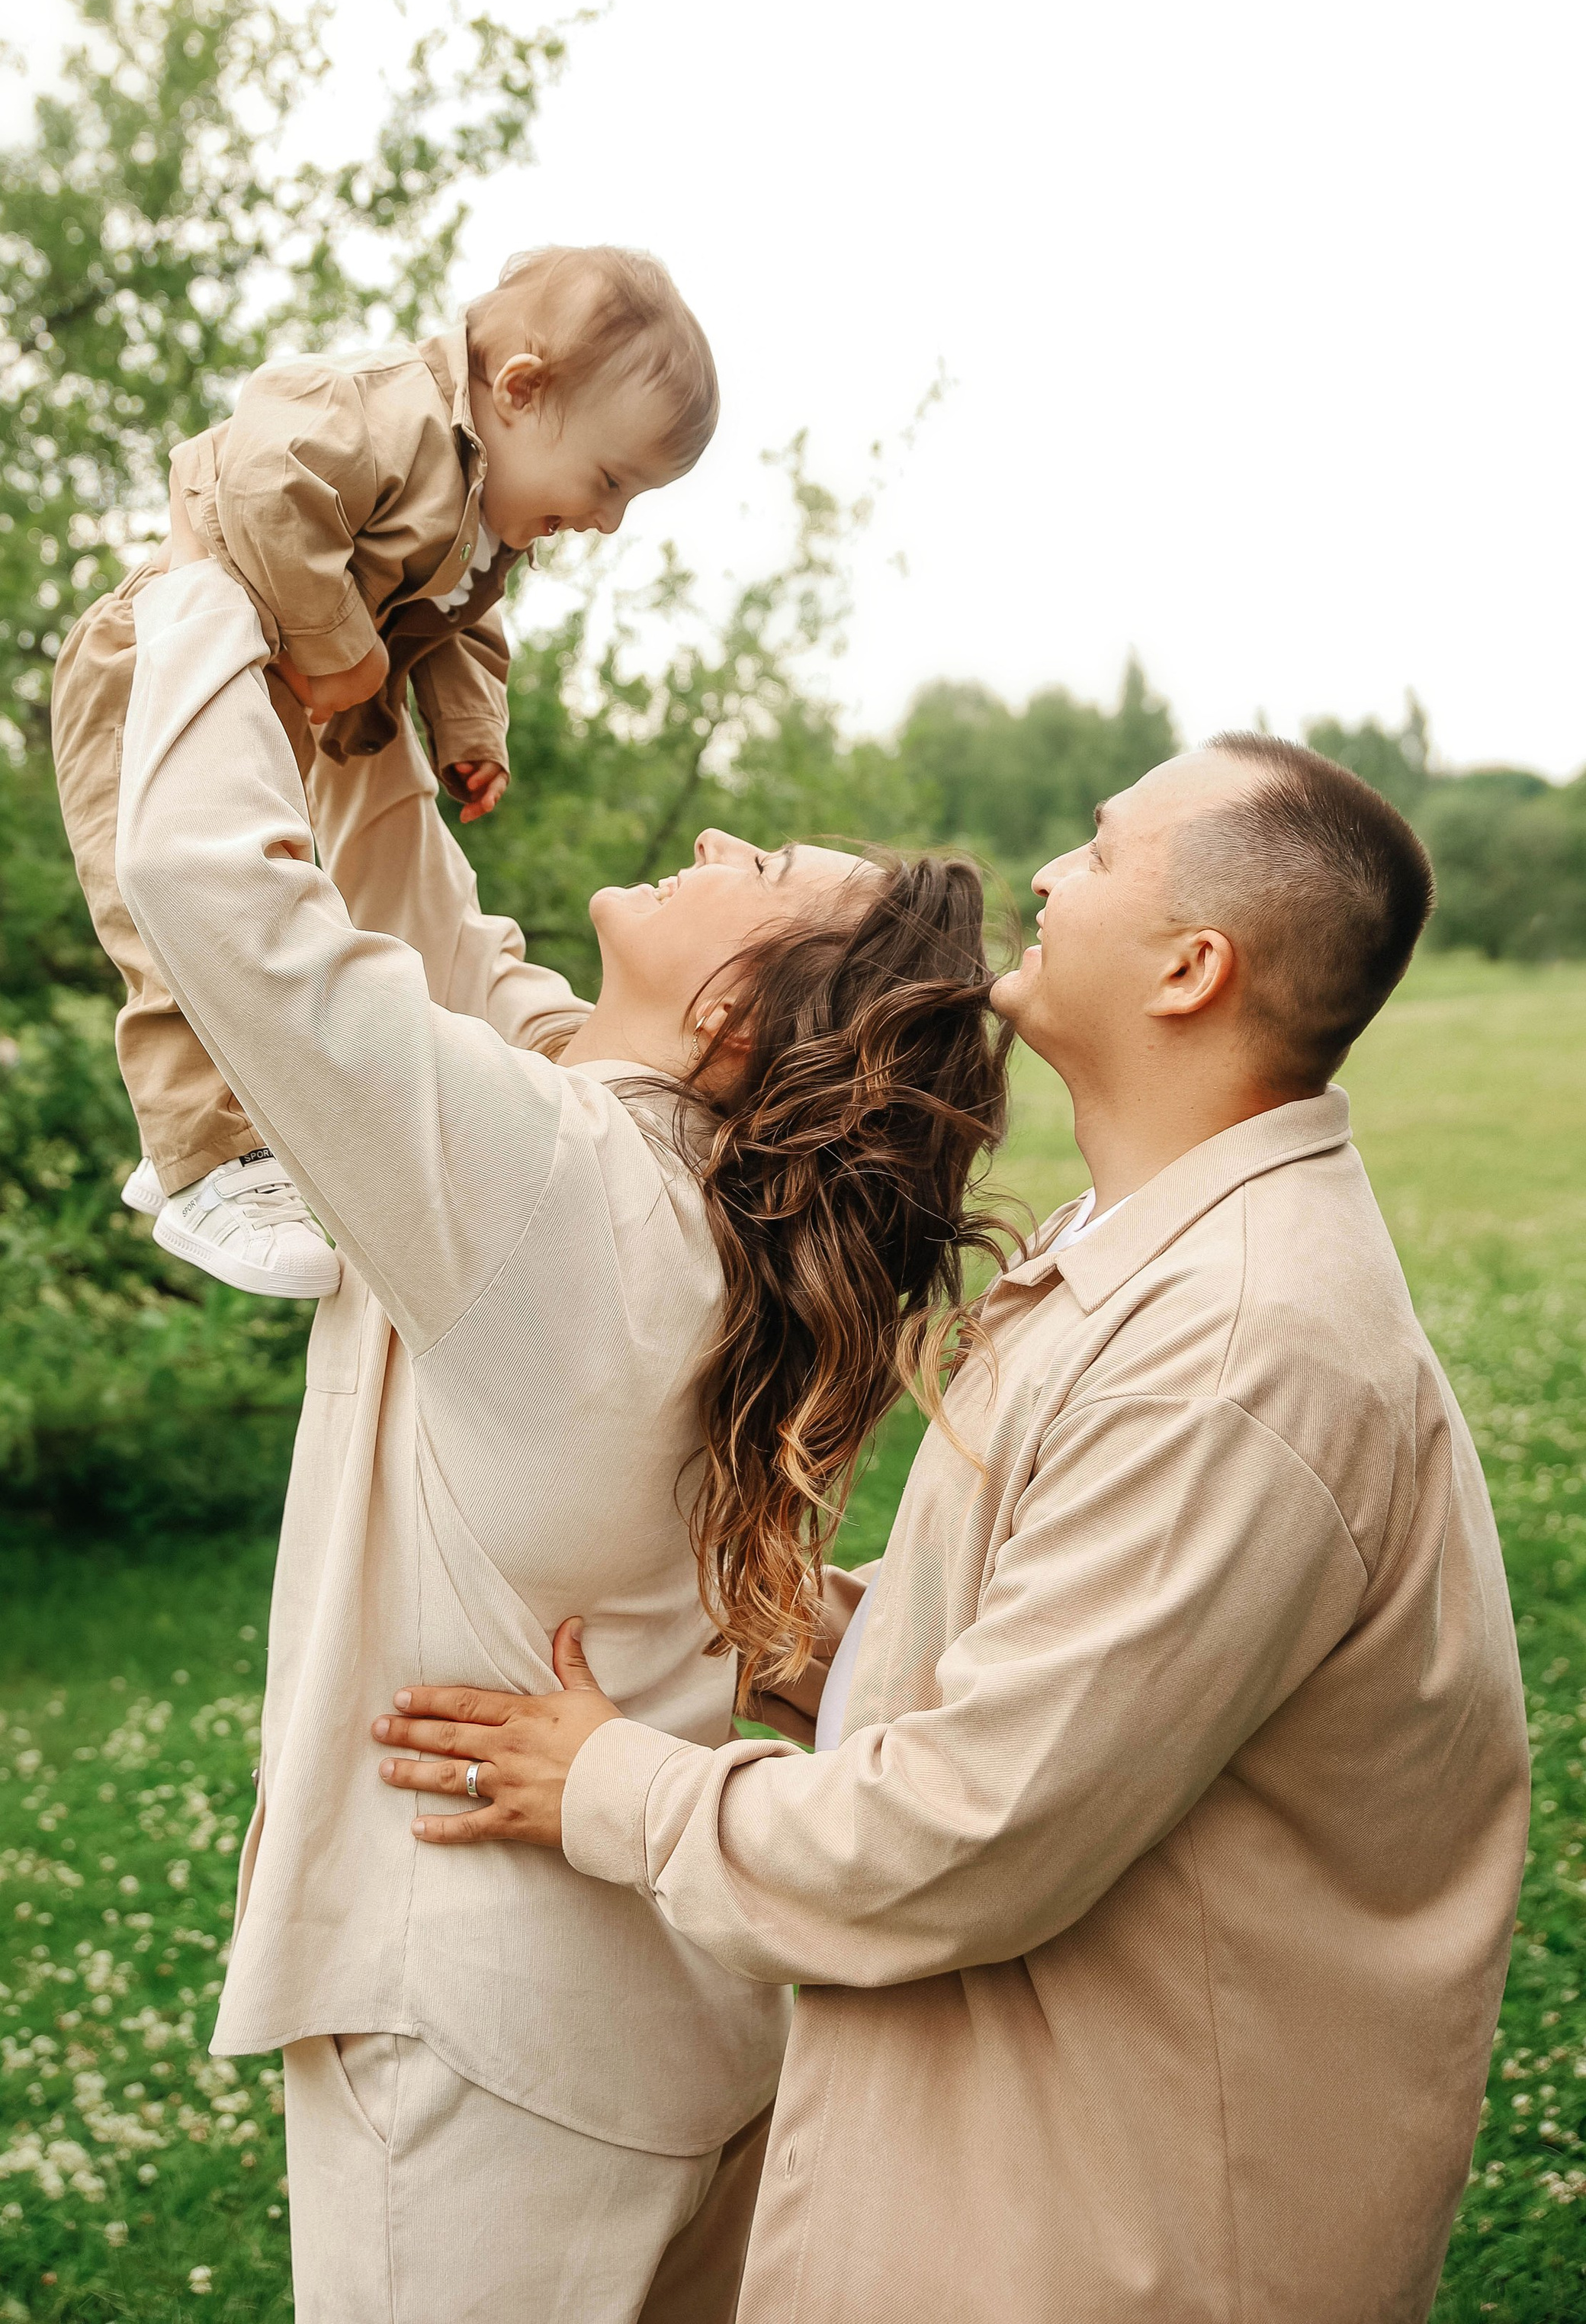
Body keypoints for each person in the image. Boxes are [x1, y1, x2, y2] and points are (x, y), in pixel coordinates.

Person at [372, 738, 1533, 2324]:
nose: (1045, 877)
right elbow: (1046, 1652)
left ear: (1190, 968)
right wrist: (772, 1630)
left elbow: (967, 1832)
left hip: (1128, 2235)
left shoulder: (1239, 1354)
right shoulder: (1136, 1252)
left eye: (1100, 851)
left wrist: (618, 1790)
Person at [109, 526, 1014, 2323]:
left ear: (737, 1008)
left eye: (758, 863)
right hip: (673, 2023)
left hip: (477, 2037)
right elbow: (436, 945)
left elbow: (208, 887)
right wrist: (358, 678)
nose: (709, 842)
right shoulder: (704, 1202)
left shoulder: (542, 1181)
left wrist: (217, 560)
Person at [53, 243, 715, 1297]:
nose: (607, 520)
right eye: (609, 480)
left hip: (265, 693)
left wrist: (468, 734)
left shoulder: (486, 514)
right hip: (155, 662)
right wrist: (343, 651)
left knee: (289, 912)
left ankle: (211, 1139)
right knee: (180, 917)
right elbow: (258, 471)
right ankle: (200, 1165)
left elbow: (455, 628)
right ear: (521, 389)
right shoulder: (387, 413)